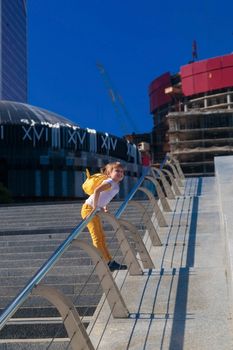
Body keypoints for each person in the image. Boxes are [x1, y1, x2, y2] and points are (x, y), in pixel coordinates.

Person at [81, 162, 127, 272]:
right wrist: (96, 206)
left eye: (122, 172)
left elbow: (105, 196)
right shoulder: (110, 182)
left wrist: (104, 206)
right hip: (89, 209)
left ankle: (109, 261)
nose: (120, 173)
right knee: (97, 237)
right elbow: (97, 191)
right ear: (109, 173)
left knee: (101, 237)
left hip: (94, 209)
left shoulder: (115, 184)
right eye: (117, 171)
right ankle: (105, 262)